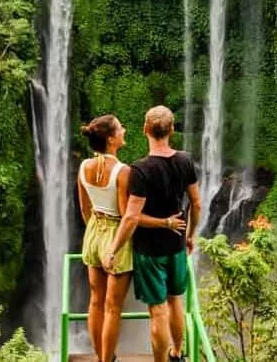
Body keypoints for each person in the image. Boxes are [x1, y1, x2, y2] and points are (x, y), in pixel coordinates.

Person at [78, 114, 186, 362]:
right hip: (116, 235)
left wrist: (96, 232)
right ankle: (107, 359)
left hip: (93, 231)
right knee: (112, 307)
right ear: (111, 138)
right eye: (120, 128)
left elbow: (85, 208)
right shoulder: (123, 171)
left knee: (95, 301)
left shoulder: (84, 167)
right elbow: (129, 215)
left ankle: (100, 356)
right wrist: (165, 223)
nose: (124, 130)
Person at [103, 106, 202, 362]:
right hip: (178, 245)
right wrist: (190, 235)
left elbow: (132, 217)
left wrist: (112, 250)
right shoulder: (185, 160)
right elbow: (197, 203)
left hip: (149, 251)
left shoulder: (140, 170)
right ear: (171, 130)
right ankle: (177, 354)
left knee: (157, 310)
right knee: (175, 301)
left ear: (145, 129)